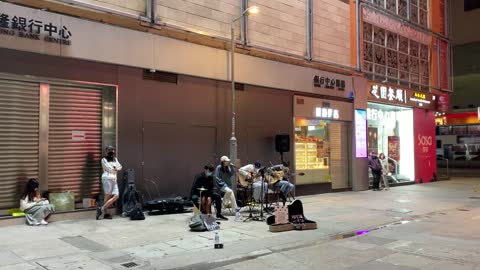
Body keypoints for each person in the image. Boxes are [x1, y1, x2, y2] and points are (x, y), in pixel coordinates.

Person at [97, 146, 122, 220]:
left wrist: (115, 169)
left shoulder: (115, 159)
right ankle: (106, 213)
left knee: (116, 196)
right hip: (107, 179)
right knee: (107, 196)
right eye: (110, 150)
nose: (112, 151)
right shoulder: (104, 159)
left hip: (114, 179)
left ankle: (101, 209)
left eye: (113, 150)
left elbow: (120, 166)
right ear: (107, 151)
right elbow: (109, 169)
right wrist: (115, 169)